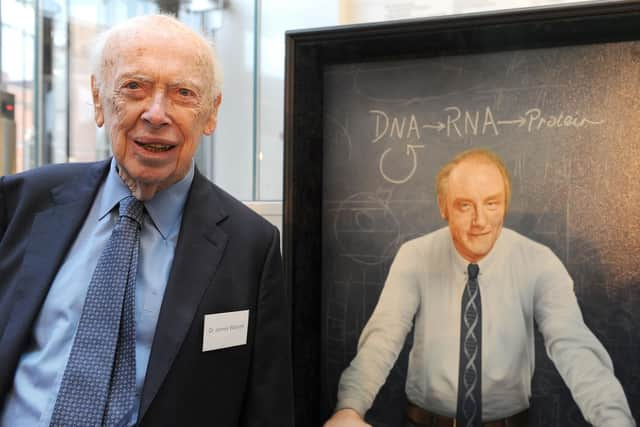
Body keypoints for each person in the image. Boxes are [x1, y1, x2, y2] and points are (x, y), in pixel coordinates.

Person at [0, 14, 293, 427]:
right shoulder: (21, 202)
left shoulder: (251, 246)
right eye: (134, 87)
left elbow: (267, 410)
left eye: (183, 93)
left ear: (211, 113)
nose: (156, 113)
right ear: (99, 99)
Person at [324, 148, 634, 427]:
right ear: (443, 207)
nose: (480, 220)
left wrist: (614, 420)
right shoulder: (414, 257)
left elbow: (574, 348)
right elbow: (383, 338)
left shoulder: (539, 263)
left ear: (505, 204)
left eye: (491, 203)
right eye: (464, 206)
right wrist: (349, 408)